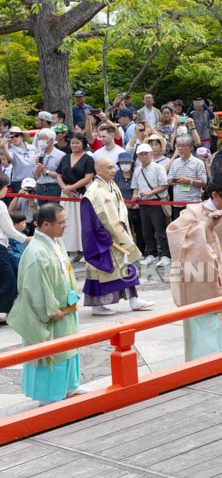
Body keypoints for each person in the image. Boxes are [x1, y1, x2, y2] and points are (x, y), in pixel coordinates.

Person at [167, 155, 222, 361]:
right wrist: (205, 228)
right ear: (215, 194)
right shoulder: (193, 213)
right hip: (204, 287)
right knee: (210, 345)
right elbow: (176, 240)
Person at [8, 203, 89, 404]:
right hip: (53, 311)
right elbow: (36, 289)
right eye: (61, 223)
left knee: (69, 348)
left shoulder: (55, 241)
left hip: (66, 306)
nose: (65, 226)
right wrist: (53, 311)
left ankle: (70, 386)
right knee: (52, 354)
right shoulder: (36, 252)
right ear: (45, 225)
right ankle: (49, 397)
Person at [80, 157, 153, 315]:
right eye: (109, 167)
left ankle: (134, 299)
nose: (113, 170)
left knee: (127, 268)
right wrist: (103, 236)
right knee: (103, 271)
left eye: (114, 167)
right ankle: (97, 305)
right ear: (98, 170)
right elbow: (90, 220)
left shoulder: (111, 185)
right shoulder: (92, 193)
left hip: (118, 234)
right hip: (103, 238)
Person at [56, 133, 95, 263]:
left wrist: (72, 187)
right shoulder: (65, 158)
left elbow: (88, 177)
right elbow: (59, 175)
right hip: (67, 194)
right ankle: (72, 251)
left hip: (82, 193)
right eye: (72, 142)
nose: (74, 145)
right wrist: (65, 189)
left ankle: (86, 250)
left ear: (83, 144)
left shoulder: (88, 159)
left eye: (77, 142)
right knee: (68, 222)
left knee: (83, 222)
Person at [131, 143, 171, 268]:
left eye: (145, 154)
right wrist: (135, 195)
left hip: (156, 201)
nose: (143, 157)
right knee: (146, 230)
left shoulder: (158, 167)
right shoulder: (137, 170)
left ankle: (165, 255)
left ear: (151, 154)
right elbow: (135, 187)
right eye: (140, 154)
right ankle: (151, 253)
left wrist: (150, 192)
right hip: (143, 203)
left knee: (160, 230)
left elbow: (164, 185)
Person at [0, 173, 27, 323]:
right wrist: (25, 239)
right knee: (7, 279)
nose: (6, 190)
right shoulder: (1, 205)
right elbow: (9, 230)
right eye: (5, 187)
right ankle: (4, 311)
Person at [167, 137, 207, 221]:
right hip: (177, 203)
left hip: (193, 204)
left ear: (190, 148)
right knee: (178, 230)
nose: (180, 148)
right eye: (178, 146)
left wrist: (190, 181)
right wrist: (178, 181)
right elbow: (169, 180)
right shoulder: (175, 162)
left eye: (183, 146)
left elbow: (203, 182)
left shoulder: (198, 163)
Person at [1, 126, 35, 194]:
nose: (14, 138)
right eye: (12, 137)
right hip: (19, 182)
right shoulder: (11, 150)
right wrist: (2, 147)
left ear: (22, 137)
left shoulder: (33, 148)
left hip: (33, 181)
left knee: (33, 203)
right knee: (18, 203)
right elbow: (9, 158)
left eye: (16, 135)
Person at [32, 128, 64, 199]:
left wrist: (46, 172)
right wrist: (38, 167)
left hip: (54, 188)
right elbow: (36, 176)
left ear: (51, 140)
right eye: (39, 139)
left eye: (43, 138)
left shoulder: (61, 155)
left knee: (54, 209)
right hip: (40, 187)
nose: (40, 141)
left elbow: (61, 175)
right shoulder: (38, 155)